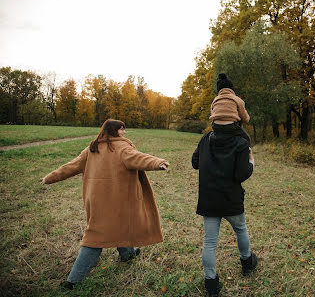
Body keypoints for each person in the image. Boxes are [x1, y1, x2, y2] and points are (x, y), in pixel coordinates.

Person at [40, 119, 169, 289]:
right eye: (122, 130)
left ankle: (128, 254)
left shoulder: (91, 148)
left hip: (96, 201)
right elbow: (138, 157)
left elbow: (70, 166)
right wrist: (157, 162)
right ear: (115, 131)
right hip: (117, 200)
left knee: (119, 224)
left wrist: (48, 178)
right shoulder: (121, 148)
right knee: (95, 239)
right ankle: (73, 281)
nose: (124, 133)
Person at [192, 126, 258, 297]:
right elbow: (242, 174)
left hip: (209, 199)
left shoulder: (206, 138)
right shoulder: (241, 143)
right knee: (241, 230)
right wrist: (251, 161)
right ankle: (247, 264)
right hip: (231, 199)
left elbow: (195, 162)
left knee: (209, 242)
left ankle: (211, 286)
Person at [209, 73, 251, 146]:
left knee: (210, 138)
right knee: (246, 139)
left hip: (216, 127)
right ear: (231, 89)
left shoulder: (215, 100)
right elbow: (244, 117)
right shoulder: (237, 99)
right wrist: (247, 118)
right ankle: (248, 155)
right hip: (231, 127)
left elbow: (213, 114)